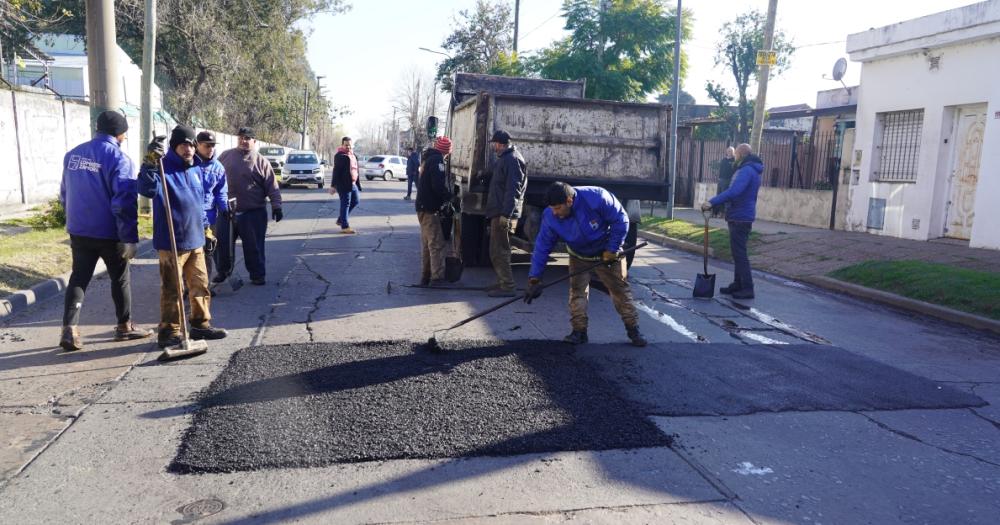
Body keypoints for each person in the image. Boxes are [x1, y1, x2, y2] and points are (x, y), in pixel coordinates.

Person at [57, 110, 153, 351]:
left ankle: (70, 329)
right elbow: (123, 202)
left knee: (79, 277)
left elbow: (64, 193)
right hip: (110, 233)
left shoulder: (73, 155)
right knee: (120, 278)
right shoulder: (119, 159)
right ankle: (124, 327)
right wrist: (130, 238)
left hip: (79, 230)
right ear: (120, 134)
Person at [524, 182, 646, 347]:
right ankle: (579, 332)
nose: (555, 213)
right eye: (552, 208)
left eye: (558, 208)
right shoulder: (550, 216)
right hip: (578, 256)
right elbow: (542, 247)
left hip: (606, 254)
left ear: (569, 201)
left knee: (620, 292)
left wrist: (612, 249)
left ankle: (633, 330)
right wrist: (534, 278)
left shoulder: (596, 198)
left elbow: (621, 219)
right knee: (577, 293)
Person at [138, 125, 227, 348]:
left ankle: (200, 325)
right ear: (174, 147)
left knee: (200, 286)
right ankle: (169, 331)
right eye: (183, 145)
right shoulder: (162, 168)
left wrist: (206, 230)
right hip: (172, 243)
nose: (188, 149)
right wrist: (149, 161)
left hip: (196, 239)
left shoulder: (196, 168)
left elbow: (199, 204)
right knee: (172, 289)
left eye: (190, 144)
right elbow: (146, 189)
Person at [217, 126, 283, 285]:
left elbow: (272, 186)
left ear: (254, 141)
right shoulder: (225, 156)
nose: (243, 141)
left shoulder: (261, 161)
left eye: (247, 138)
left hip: (253, 213)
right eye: (240, 137)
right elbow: (213, 176)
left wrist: (276, 206)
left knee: (254, 247)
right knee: (222, 246)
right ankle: (223, 272)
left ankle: (257, 274)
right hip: (227, 212)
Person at [701, 143, 763, 299]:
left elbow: (734, 191)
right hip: (739, 215)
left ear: (741, 155)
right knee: (737, 253)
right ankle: (738, 284)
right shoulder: (747, 169)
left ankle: (748, 288)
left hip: (740, 217)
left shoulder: (747, 170)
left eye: (736, 155)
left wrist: (712, 202)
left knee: (740, 254)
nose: (734, 157)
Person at [483, 130, 527, 297]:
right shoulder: (507, 159)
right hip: (500, 211)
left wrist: (506, 215)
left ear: (500, 144)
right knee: (496, 249)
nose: (494, 146)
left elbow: (513, 191)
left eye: (494, 143)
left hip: (504, 213)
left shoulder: (513, 160)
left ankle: (508, 286)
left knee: (500, 250)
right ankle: (503, 282)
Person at [415, 136, 453, 286]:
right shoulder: (437, 161)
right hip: (429, 208)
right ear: (446, 151)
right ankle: (436, 278)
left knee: (427, 243)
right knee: (436, 243)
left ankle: (426, 276)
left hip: (422, 207)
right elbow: (437, 185)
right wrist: (449, 197)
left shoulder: (427, 159)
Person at [194, 131, 228, 283]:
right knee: (189, 253)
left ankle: (203, 285)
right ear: (197, 145)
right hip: (190, 216)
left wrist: (225, 209)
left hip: (209, 217)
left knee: (207, 252)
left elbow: (221, 192)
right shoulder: (190, 163)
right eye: (207, 146)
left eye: (213, 146)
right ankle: (186, 286)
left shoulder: (218, 167)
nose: (211, 149)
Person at [331, 136, 362, 234]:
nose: (348, 147)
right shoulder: (339, 156)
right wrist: (333, 185)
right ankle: (345, 226)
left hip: (352, 184)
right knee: (345, 204)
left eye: (349, 145)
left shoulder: (353, 155)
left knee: (356, 201)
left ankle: (341, 219)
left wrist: (357, 182)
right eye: (346, 145)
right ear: (342, 145)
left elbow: (355, 169)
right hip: (343, 184)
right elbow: (336, 171)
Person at [712, 146, 736, 217]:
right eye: (728, 151)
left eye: (731, 151)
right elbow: (721, 170)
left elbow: (735, 171)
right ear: (726, 152)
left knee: (724, 197)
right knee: (718, 196)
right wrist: (719, 178)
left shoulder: (734, 160)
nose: (729, 152)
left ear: (733, 152)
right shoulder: (723, 160)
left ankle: (722, 213)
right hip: (721, 180)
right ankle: (715, 213)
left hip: (728, 180)